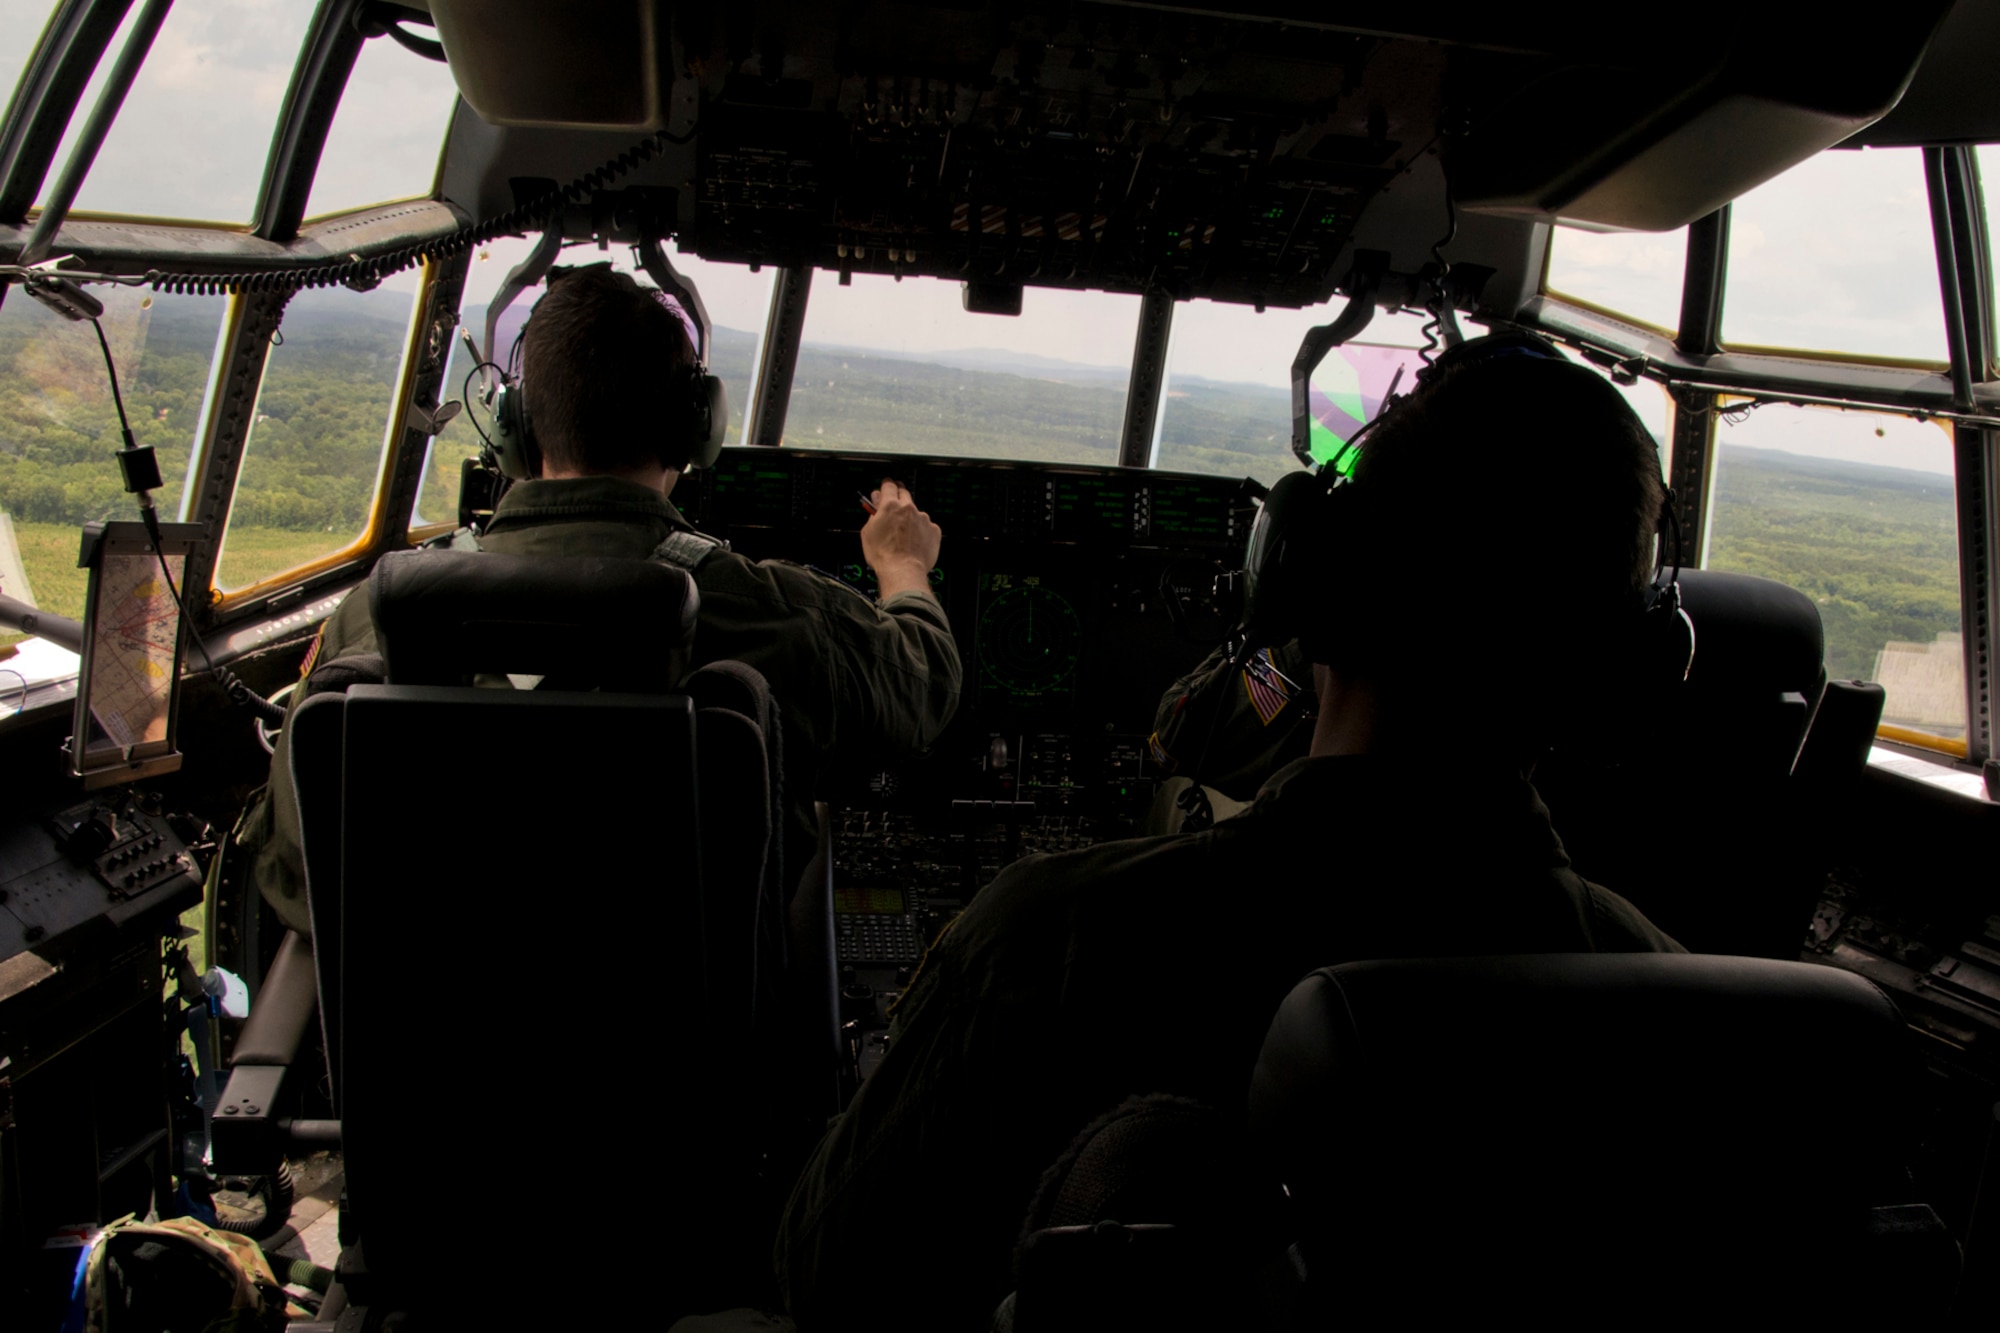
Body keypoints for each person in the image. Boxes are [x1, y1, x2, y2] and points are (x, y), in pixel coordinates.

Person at [775, 339, 1685, 1330]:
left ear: (1317, 583)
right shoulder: (1690, 1020)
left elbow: (826, 1278)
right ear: (1620, 681)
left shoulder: (1045, 947)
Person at [238, 263, 961, 935]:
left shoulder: (381, 618)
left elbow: (293, 869)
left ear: (515, 430)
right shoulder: (771, 615)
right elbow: (921, 689)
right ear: (695, 429)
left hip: (430, 1062)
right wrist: (902, 568)